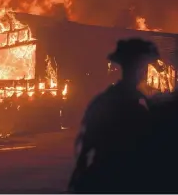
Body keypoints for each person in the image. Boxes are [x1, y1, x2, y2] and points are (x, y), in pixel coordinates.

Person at [68, 38, 161, 193]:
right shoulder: (140, 104)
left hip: (107, 176)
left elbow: (85, 146)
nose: (144, 72)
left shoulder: (103, 100)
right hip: (123, 178)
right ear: (139, 69)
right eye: (143, 66)